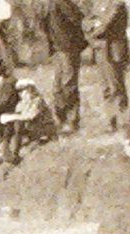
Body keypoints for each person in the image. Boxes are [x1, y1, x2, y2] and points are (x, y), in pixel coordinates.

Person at [34, 0, 87, 134]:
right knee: (58, 87)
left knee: (69, 84)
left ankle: (71, 121)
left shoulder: (63, 3)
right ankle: (60, 119)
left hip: (68, 48)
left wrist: (76, 42)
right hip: (58, 48)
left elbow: (78, 20)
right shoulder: (46, 4)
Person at [85, 0, 128, 132]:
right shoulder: (98, 4)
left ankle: (125, 121)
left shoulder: (117, 4)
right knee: (106, 88)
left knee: (116, 87)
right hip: (101, 51)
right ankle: (111, 122)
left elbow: (106, 25)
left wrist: (93, 30)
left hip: (113, 52)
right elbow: (85, 22)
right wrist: (92, 25)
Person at [0, 78, 56, 165]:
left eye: (23, 90)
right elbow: (18, 114)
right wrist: (9, 117)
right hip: (31, 127)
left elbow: (31, 116)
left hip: (43, 129)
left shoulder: (38, 100)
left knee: (18, 123)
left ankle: (15, 154)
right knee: (10, 125)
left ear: (30, 89)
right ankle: (6, 152)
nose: (21, 94)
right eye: (19, 91)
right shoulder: (22, 103)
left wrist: (11, 117)